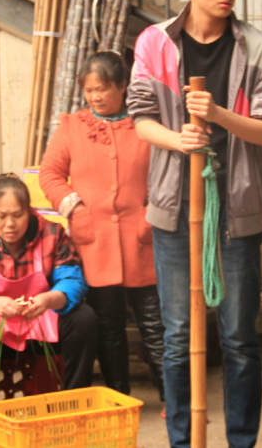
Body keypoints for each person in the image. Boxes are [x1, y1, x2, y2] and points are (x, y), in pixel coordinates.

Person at [126, 0, 262, 448]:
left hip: (236, 206)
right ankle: (183, 441)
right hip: (174, 207)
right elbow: (140, 119)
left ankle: (241, 441)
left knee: (239, 337)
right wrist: (179, 139)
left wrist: (218, 114)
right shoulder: (155, 43)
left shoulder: (258, 48)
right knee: (178, 335)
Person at [39, 51, 166, 407]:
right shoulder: (72, 126)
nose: (95, 97)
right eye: (89, 90)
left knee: (155, 325)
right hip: (93, 241)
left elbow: (169, 173)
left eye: (102, 89)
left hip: (143, 239)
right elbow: (50, 173)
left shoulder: (146, 125)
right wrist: (74, 207)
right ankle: (118, 399)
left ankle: (174, 401)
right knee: (108, 327)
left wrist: (153, 210)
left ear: (123, 86)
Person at [0, 173, 99, 429]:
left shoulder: (52, 233)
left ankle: (73, 405)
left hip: (42, 328)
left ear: (29, 211)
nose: (10, 224)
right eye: (1, 216)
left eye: (17, 215)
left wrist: (49, 299)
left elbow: (73, 280)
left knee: (85, 319)